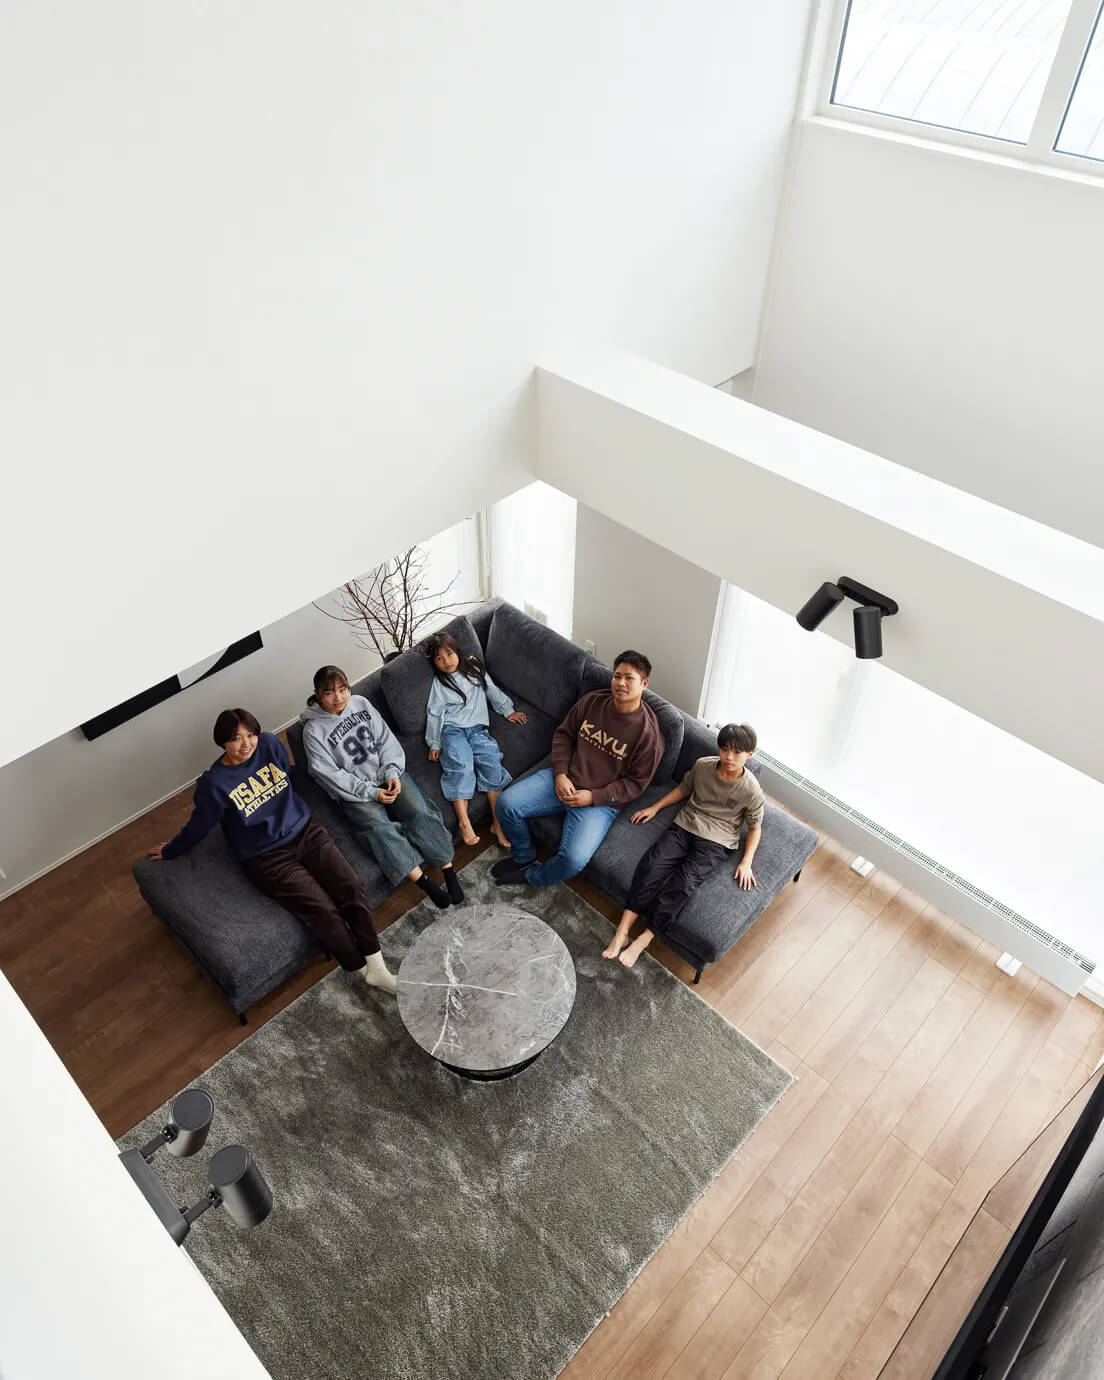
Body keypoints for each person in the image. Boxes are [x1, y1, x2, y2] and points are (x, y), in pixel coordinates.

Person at [148, 709, 397, 993]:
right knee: (323, 911)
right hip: (267, 858)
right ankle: (361, 969)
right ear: (223, 742)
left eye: (251, 735)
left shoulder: (269, 744)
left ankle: (378, 968)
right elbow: (199, 825)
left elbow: (285, 779)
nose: (246, 744)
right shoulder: (214, 784)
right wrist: (171, 850)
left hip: (306, 832)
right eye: (236, 739)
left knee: (350, 886)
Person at [491, 651, 664, 889]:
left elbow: (635, 784)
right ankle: (523, 856)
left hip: (599, 803)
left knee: (573, 860)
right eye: (617, 676)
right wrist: (560, 774)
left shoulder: (649, 736)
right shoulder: (593, 701)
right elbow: (564, 735)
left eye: (629, 678)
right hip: (564, 779)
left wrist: (593, 797)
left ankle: (533, 877)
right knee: (505, 804)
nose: (621, 683)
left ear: (644, 684)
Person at [300, 665, 464, 909]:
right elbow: (329, 775)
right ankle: (426, 884)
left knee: (418, 810)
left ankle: (448, 871)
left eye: (343, 689)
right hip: (355, 793)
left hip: (385, 773)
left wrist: (392, 772)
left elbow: (385, 740)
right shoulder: (313, 730)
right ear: (318, 694)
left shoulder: (361, 704)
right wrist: (371, 792)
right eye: (329, 692)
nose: (338, 697)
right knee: (379, 830)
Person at [603, 723, 764, 968]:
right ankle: (622, 931)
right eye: (725, 749)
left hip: (717, 841)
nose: (729, 757)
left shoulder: (751, 790)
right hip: (685, 825)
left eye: (737, 752)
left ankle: (644, 940)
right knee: (652, 865)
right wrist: (655, 807)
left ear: (749, 755)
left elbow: (754, 828)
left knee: (683, 882)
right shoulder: (703, 765)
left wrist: (747, 861)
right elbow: (683, 789)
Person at [423, 631, 527, 848]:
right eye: (439, 659)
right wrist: (434, 742)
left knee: (491, 761)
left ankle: (497, 823)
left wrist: (507, 710)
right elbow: (434, 713)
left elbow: (491, 689)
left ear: (457, 651)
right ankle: (464, 822)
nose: (446, 661)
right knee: (461, 765)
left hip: (478, 729)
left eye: (449, 654)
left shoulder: (474, 667)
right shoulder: (439, 683)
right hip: (452, 730)